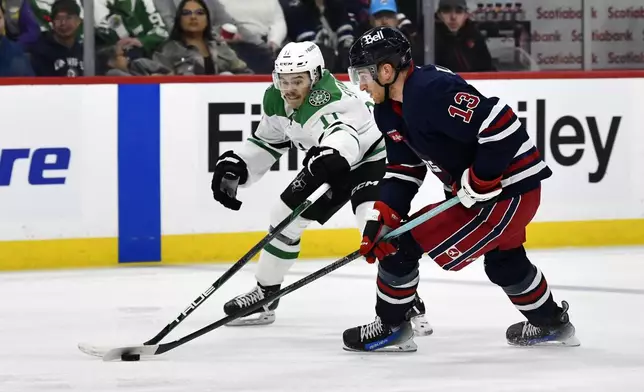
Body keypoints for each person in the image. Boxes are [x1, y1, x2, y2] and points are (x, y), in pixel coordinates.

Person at [343, 26, 580, 352]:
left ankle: (392, 326)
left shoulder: (431, 89)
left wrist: (482, 179)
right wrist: (384, 212)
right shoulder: (387, 111)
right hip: (489, 194)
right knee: (504, 263)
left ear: (386, 70)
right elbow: (404, 169)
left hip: (508, 191)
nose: (361, 85)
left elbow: (503, 125)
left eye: (363, 75)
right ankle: (552, 323)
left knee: (400, 247)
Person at [210, 40, 431, 336]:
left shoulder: (332, 98)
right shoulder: (276, 98)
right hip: (329, 158)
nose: (289, 88)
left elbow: (341, 133)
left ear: (315, 77)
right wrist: (240, 165)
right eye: (283, 80)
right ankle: (265, 295)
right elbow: (269, 140)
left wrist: (333, 153)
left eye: (297, 80)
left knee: (374, 225)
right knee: (283, 217)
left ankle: (406, 304)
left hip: (372, 157)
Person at [153, 0, 251, 75]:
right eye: (186, 13)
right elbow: (157, 83)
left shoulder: (220, 47)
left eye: (199, 13)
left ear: (207, 20)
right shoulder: (168, 50)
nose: (193, 17)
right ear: (179, 20)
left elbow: (247, 74)